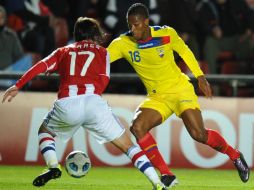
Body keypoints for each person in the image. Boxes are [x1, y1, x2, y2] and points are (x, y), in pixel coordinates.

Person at [2, 17, 166, 190]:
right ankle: (157, 183)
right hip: (94, 103)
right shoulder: (104, 52)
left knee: (45, 132)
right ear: (95, 34)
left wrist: (18, 84)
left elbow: (40, 66)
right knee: (129, 147)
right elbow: (104, 80)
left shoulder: (63, 51)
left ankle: (53, 166)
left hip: (66, 103)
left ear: (76, 34)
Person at [107, 3, 250, 188]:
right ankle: (166, 174)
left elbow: (185, 51)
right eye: (130, 25)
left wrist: (200, 76)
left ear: (146, 22)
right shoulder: (122, 43)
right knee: (138, 127)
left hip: (180, 89)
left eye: (136, 25)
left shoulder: (166, 34)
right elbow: (99, 60)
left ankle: (235, 155)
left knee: (199, 134)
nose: (132, 29)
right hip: (157, 97)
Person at [0, 5, 24, 70]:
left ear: (4, 19)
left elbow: (19, 56)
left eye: (1, 17)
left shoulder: (11, 35)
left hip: (8, 74)